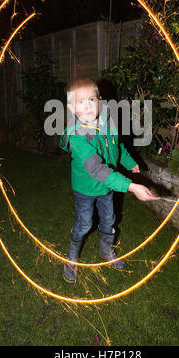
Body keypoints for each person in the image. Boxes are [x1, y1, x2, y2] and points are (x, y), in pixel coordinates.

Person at [60, 78, 159, 283]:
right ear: (71, 108)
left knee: (109, 220)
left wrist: (130, 162)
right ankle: (72, 258)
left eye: (91, 99)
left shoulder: (107, 122)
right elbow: (97, 168)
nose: (87, 105)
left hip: (107, 188)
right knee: (85, 222)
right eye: (80, 102)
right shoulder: (77, 137)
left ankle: (106, 251)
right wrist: (132, 187)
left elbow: (117, 147)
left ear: (100, 101)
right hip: (86, 188)